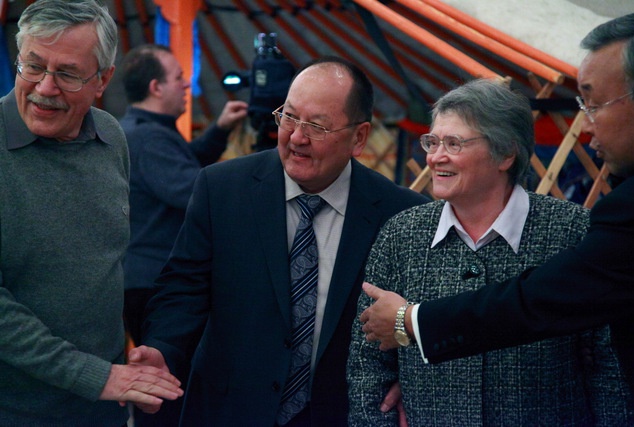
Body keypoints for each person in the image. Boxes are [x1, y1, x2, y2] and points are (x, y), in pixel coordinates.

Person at [359, 12, 634, 423]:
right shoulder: (403, 233)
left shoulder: (572, 229)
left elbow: (604, 365)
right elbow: (367, 366)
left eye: (454, 143)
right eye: (432, 142)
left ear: (506, 154)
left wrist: (411, 320)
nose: (435, 157)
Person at [128, 55, 428, 426]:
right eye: (289, 116)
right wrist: (163, 348)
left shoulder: (400, 213)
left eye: (317, 126)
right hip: (230, 411)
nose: (297, 137)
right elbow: (182, 289)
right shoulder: (222, 189)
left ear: (359, 137)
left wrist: (409, 377)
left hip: (339, 414)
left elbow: (420, 317)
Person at [0, 0, 184, 425]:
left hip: (103, 410)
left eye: (67, 73)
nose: (46, 87)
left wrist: (130, 363)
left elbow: (105, 268)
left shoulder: (111, 137)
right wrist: (94, 376)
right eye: (33, 66)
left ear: (102, 80)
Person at [118, 42, 247, 427]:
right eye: (179, 78)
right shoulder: (148, 139)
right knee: (169, 388)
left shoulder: (144, 133)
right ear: (156, 87)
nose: (187, 86)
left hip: (145, 279)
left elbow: (182, 164)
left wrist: (219, 130)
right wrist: (256, 179)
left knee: (167, 384)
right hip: (159, 284)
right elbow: (193, 189)